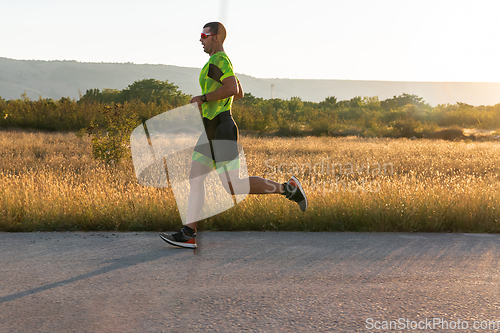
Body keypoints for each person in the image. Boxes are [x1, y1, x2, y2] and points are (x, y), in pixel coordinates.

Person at [160, 22, 307, 249]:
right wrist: (211, 99)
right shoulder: (219, 62)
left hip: (221, 128)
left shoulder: (218, 61)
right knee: (195, 179)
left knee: (233, 186)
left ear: (216, 38)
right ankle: (188, 233)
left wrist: (204, 98)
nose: (200, 39)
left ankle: (289, 189)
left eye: (204, 35)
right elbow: (238, 92)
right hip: (210, 129)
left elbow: (231, 90)